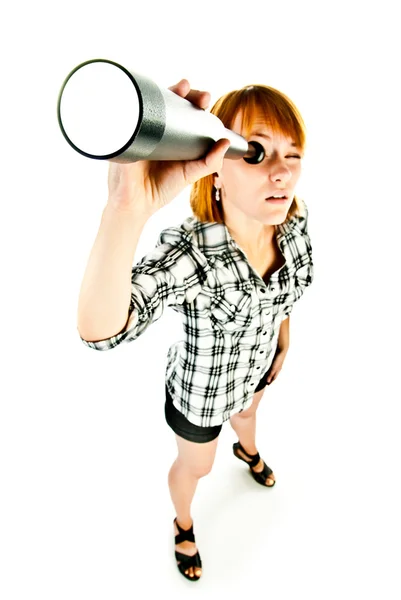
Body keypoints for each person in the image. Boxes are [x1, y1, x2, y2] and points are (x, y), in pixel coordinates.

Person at [77, 78, 314, 582]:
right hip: (200, 398)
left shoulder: (295, 223)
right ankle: (183, 523)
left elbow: (285, 296)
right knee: (197, 468)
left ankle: (246, 449)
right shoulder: (192, 254)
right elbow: (100, 331)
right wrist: (125, 209)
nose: (280, 173)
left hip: (256, 372)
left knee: (249, 419)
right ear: (216, 171)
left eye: (292, 155)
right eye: (255, 154)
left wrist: (283, 340)